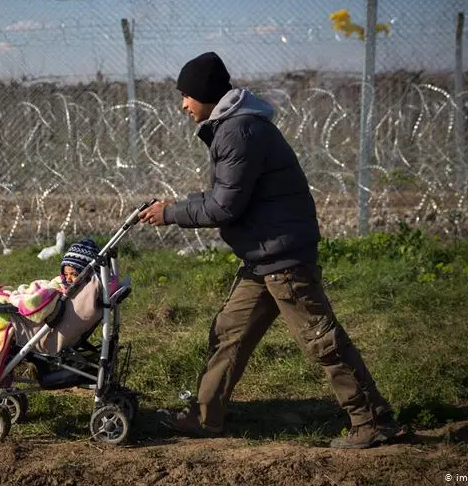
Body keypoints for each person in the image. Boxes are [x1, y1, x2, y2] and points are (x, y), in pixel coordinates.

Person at [138, 51, 398, 449]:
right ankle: (206, 417)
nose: (183, 104)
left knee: (320, 340)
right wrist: (178, 206)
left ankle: (373, 421)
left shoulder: (238, 132)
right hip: (263, 256)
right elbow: (231, 194)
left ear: (206, 93)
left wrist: (171, 213)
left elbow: (226, 205)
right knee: (230, 333)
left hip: (282, 258)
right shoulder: (234, 127)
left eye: (186, 95)